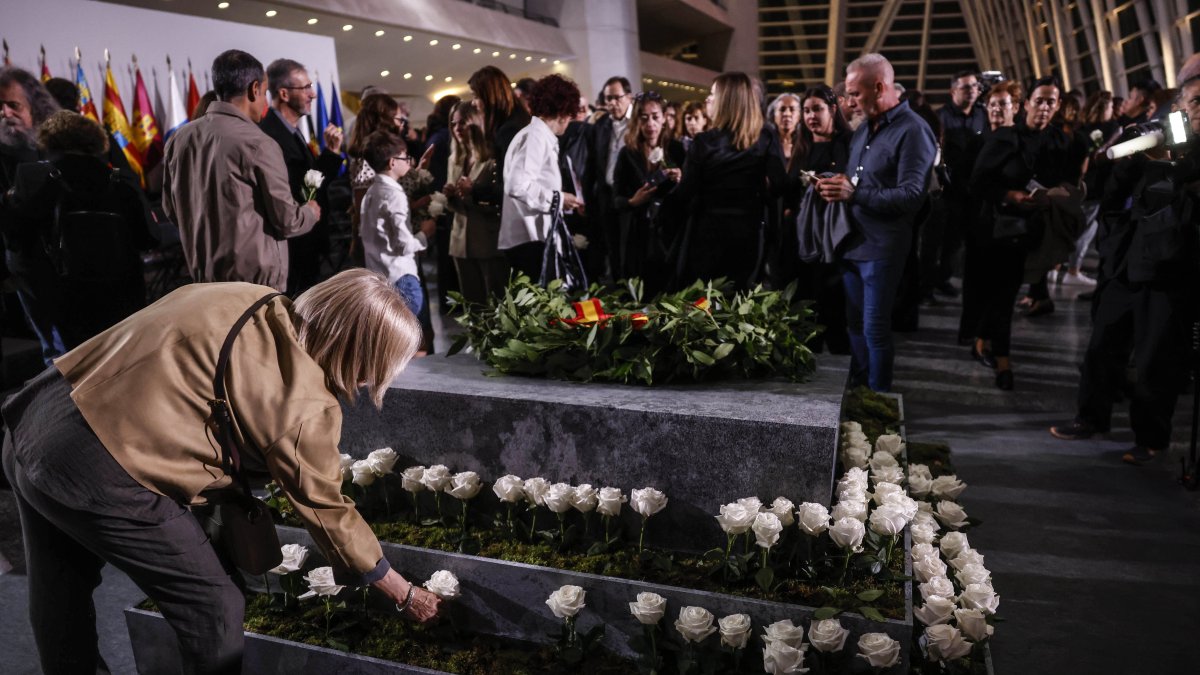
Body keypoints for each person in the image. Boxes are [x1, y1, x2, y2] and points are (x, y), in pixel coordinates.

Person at [2, 269, 442, 675]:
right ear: (364, 354)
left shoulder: (250, 296)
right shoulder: (307, 405)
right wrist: (403, 592)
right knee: (213, 607)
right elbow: (328, 510)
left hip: (39, 416)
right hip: (98, 468)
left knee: (61, 588)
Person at [1051, 75, 1200, 464]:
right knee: (1103, 346)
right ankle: (1090, 417)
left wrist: (1170, 163)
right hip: (1126, 263)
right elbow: (1111, 195)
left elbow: (1179, 201)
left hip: (1172, 270)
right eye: (1195, 101)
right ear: (1179, 107)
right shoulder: (1154, 141)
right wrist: (1130, 155)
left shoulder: (1188, 154)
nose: (1199, 109)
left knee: (1156, 359)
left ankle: (1151, 438)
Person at [818, 54, 937, 392]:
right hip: (853, 243)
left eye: (855, 94)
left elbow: (912, 196)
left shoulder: (913, 130)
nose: (849, 102)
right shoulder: (865, 128)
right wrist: (834, 184)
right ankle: (859, 392)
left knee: (875, 330)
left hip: (882, 249)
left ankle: (880, 403)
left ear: (880, 87)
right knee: (855, 325)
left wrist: (853, 194)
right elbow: (859, 181)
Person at [162, 50, 319, 292]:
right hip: (254, 288)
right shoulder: (259, 143)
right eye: (265, 93)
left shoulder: (179, 139)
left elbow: (172, 210)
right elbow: (287, 221)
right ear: (254, 89)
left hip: (203, 281)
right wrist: (310, 212)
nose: (266, 102)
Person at [4, 111, 156, 355]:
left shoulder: (44, 183)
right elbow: (148, 238)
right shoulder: (117, 183)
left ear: (49, 143)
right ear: (96, 142)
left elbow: (17, 236)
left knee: (77, 366)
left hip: (68, 295)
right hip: (122, 291)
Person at [967, 76, 1083, 391]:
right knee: (1002, 293)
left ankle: (983, 338)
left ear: (1058, 106)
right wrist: (1010, 195)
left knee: (1007, 289)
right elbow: (978, 183)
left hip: (1034, 227)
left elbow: (1067, 178)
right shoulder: (1004, 138)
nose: (1045, 107)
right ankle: (1002, 360)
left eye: (1052, 101)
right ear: (1027, 103)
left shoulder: (1059, 141)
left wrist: (1058, 192)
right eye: (1040, 99)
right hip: (999, 227)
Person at [669, 71, 786, 291]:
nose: (708, 100)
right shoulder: (765, 136)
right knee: (741, 300)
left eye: (713, 94)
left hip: (708, 234)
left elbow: (684, 194)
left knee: (708, 301)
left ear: (726, 101)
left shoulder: (704, 142)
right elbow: (780, 184)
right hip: (749, 233)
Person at [259, 58, 345, 295]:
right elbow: (304, 191)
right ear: (284, 94)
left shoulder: (289, 131)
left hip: (306, 243)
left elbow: (309, 185)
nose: (313, 94)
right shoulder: (271, 136)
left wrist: (330, 153)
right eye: (305, 87)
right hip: (293, 251)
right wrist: (329, 157)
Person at [1, 67, 61, 362]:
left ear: (34, 108)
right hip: (27, 262)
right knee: (53, 347)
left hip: (68, 260)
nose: (5, 113)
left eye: (13, 105)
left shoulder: (56, 144)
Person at [498, 74, 584, 280]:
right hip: (530, 238)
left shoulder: (536, 134)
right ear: (563, 112)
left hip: (531, 236)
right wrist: (559, 199)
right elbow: (517, 186)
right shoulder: (535, 136)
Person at [958, 81, 1019, 347]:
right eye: (992, 104)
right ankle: (971, 331)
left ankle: (989, 334)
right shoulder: (977, 141)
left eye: (1002, 104)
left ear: (1015, 107)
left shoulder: (1018, 140)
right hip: (978, 221)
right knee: (974, 280)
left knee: (999, 284)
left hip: (1006, 223)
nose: (996, 109)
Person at [794, 85, 853, 354]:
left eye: (816, 109)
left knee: (835, 306)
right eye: (806, 110)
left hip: (836, 238)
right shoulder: (802, 144)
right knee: (807, 306)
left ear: (832, 109)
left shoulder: (846, 143)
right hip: (803, 238)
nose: (810, 116)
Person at [612, 91, 684, 295]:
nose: (650, 124)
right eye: (644, 118)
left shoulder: (677, 150)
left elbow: (689, 196)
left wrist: (681, 179)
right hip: (638, 235)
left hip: (668, 234)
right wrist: (633, 201)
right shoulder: (628, 154)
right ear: (637, 121)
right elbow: (616, 199)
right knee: (639, 295)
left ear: (664, 119)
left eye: (655, 117)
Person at [360, 130, 431, 329]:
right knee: (408, 338)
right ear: (392, 162)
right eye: (405, 157)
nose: (409, 162)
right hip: (400, 277)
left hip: (378, 277)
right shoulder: (393, 195)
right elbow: (403, 245)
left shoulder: (370, 193)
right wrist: (425, 234)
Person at [445, 101, 507, 304]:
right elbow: (454, 205)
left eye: (462, 122)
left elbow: (501, 200)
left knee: (496, 303)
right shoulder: (454, 159)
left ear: (476, 122)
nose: (457, 129)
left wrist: (472, 194)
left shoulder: (493, 158)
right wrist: (450, 196)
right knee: (472, 306)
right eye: (453, 124)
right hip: (460, 240)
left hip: (488, 239)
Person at [933, 70, 987, 300]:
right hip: (951, 187)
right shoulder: (941, 117)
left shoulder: (982, 114)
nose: (972, 90)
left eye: (975, 86)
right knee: (947, 239)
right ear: (953, 91)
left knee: (971, 237)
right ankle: (937, 279)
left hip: (976, 187)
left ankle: (956, 278)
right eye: (966, 87)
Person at [468, 66, 531, 218]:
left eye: (476, 96)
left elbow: (513, 189)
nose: (473, 103)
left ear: (490, 96)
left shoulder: (510, 130)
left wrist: (474, 189)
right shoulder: (517, 121)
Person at [589, 76, 635, 279]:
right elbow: (592, 165)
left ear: (629, 97)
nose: (612, 103)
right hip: (607, 196)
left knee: (632, 248)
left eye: (617, 98)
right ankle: (619, 294)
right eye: (608, 99)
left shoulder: (640, 122)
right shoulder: (601, 126)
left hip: (632, 196)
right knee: (612, 248)